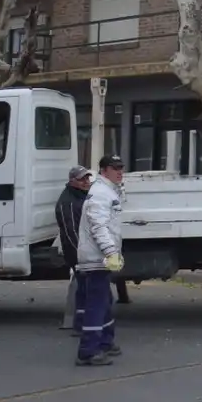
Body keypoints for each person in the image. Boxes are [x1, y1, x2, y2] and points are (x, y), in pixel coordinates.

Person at [75, 155, 125, 366]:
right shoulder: (101, 194)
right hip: (97, 257)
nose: (120, 171)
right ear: (104, 170)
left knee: (104, 301)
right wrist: (111, 252)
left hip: (99, 257)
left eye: (121, 168)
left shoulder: (107, 191)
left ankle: (104, 341)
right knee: (97, 304)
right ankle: (88, 351)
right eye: (115, 168)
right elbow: (98, 226)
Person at [55, 166, 93, 332]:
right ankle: (81, 324)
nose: (86, 182)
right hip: (78, 253)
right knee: (85, 288)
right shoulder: (68, 203)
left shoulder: (82, 197)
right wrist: (81, 256)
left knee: (85, 288)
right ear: (72, 181)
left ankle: (81, 322)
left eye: (87, 178)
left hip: (84, 252)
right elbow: (70, 232)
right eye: (82, 179)